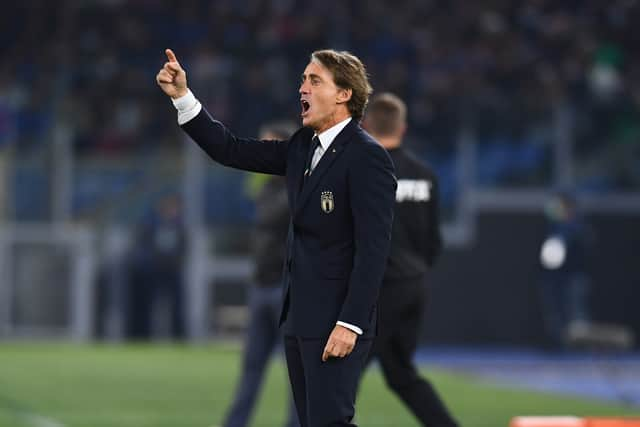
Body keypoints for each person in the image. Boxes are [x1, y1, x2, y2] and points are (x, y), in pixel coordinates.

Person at [156, 48, 396, 427]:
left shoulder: (368, 157)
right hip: (299, 318)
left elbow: (374, 249)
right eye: (302, 79)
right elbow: (229, 149)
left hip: (336, 323)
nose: (302, 87)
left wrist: (351, 323)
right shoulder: (302, 147)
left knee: (330, 422)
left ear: (344, 94)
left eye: (314, 80)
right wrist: (183, 98)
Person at [361, 93, 459, 427]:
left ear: (367, 125)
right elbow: (433, 239)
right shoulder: (425, 173)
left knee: (338, 372)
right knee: (401, 373)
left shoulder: (363, 170)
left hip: (379, 289)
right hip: (414, 284)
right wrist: (416, 270)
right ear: (402, 128)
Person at [220, 121, 299, 427]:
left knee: (295, 369)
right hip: (262, 285)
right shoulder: (267, 186)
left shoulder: (297, 187)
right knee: (252, 366)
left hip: (287, 288)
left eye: (268, 145)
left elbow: (272, 219)